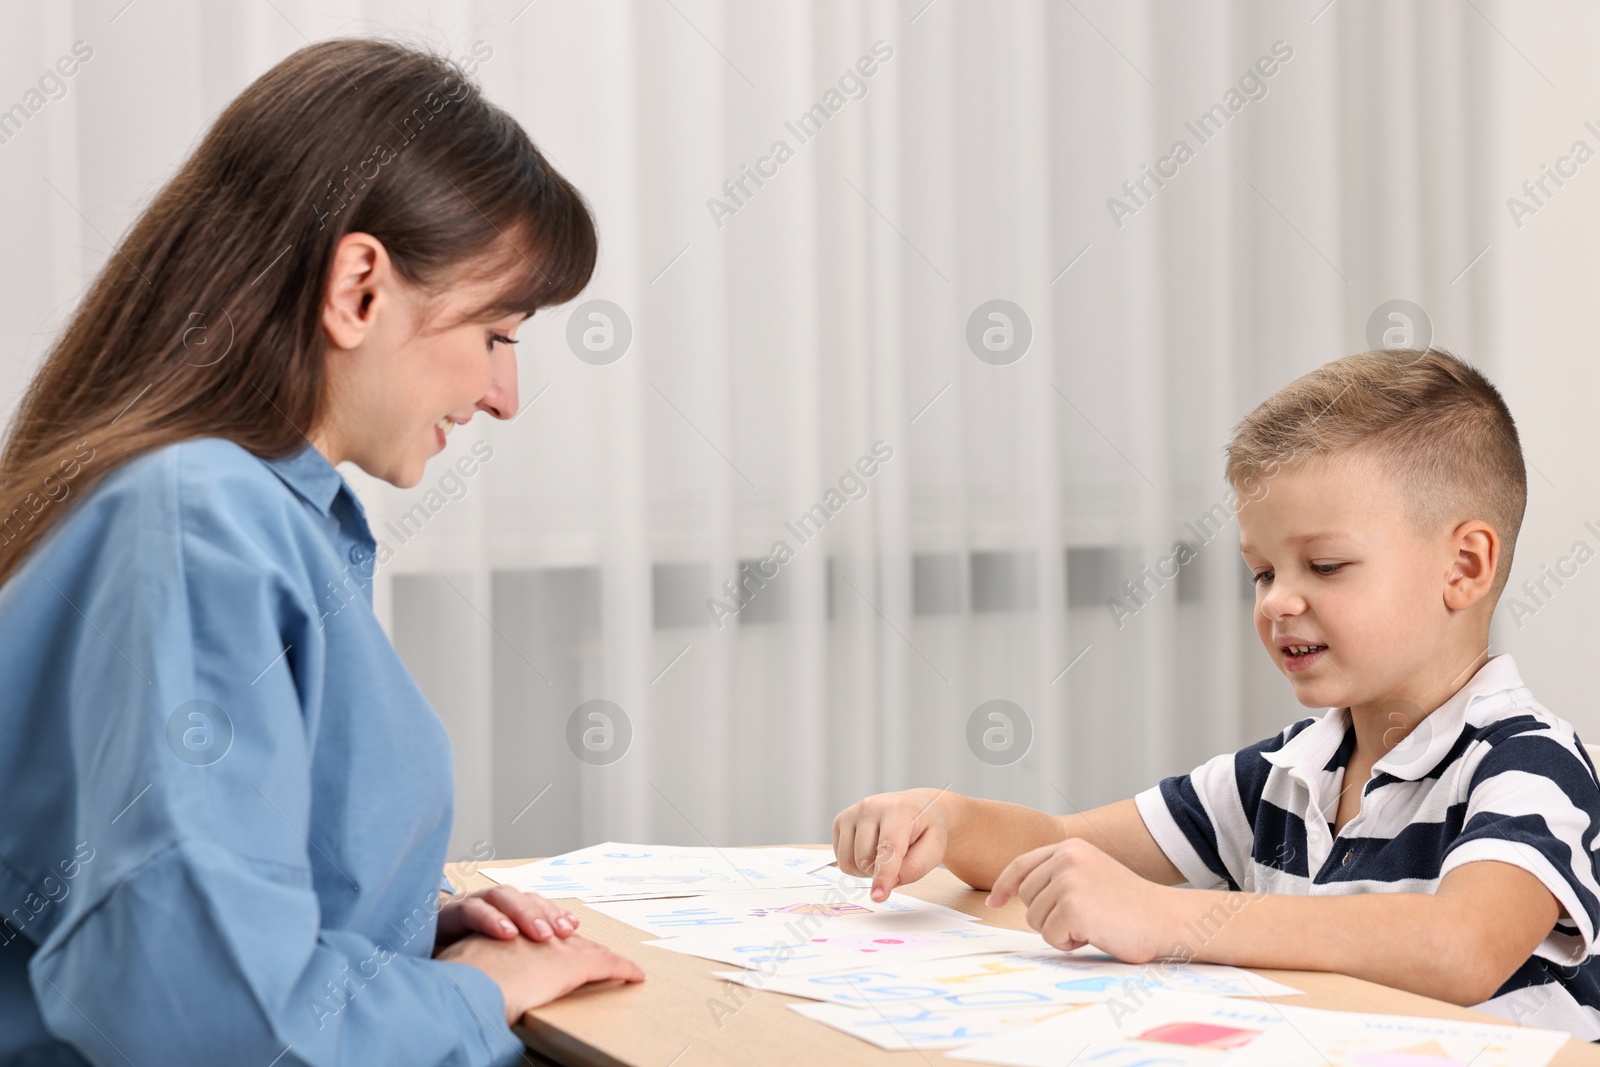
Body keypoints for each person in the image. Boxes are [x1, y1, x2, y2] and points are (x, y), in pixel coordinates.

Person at [0, 37, 642, 1066]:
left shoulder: (251, 513)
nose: (503, 396)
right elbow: (211, 1022)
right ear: (358, 287)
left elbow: (166, 878)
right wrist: (473, 993)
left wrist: (400, 919)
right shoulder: (199, 517)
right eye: (499, 333)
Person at [834, 349, 1600, 1039]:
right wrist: (949, 818)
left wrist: (1170, 916)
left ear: (1464, 567)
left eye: (1325, 565)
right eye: (1263, 572)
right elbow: (1061, 840)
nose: (1275, 602)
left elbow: (1461, 946)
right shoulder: (1283, 775)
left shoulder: (1529, 764)